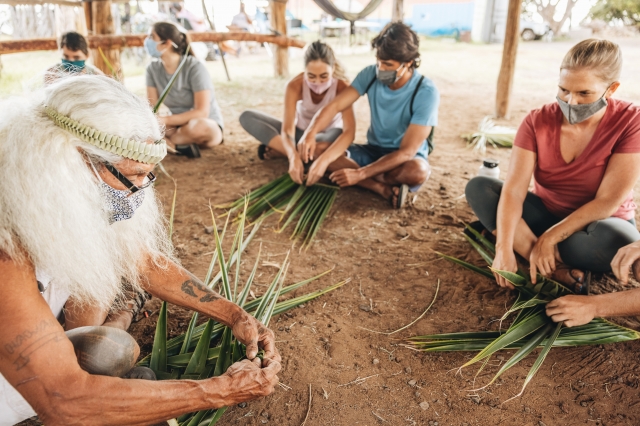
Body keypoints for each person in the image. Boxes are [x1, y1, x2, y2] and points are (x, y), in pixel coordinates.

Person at [0, 75, 280, 425]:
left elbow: (143, 261)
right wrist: (221, 389)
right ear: (69, 160)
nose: (138, 192)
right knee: (106, 360)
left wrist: (235, 315)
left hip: (32, 353)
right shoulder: (5, 249)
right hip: (24, 391)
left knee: (109, 346)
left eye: (147, 176)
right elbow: (64, 401)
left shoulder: (54, 197)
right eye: (132, 176)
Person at [464, 39, 640, 326]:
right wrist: (503, 249)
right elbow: (514, 190)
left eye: (584, 93)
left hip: (597, 226)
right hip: (546, 215)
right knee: (480, 189)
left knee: (616, 240)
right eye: (563, 90)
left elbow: (608, 201)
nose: (570, 102)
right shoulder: (536, 121)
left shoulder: (630, 120)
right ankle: (558, 270)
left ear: (612, 89)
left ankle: (535, 251)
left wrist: (549, 237)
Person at [298, 22, 439, 208]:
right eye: (378, 61)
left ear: (409, 63)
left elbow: (407, 152)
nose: (381, 68)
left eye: (388, 65)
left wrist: (360, 174)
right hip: (373, 151)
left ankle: (362, 176)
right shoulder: (370, 74)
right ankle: (381, 188)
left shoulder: (425, 91)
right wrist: (310, 132)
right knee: (317, 150)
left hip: (402, 160)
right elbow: (335, 106)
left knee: (418, 171)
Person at [239, 41, 355, 185]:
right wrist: (293, 156)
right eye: (311, 76)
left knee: (320, 146)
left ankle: (284, 150)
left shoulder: (342, 87)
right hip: (301, 135)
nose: (318, 83)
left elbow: (349, 133)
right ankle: (301, 156)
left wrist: (321, 159)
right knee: (247, 117)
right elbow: (288, 130)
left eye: (324, 76)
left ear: (333, 68)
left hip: (328, 136)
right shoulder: (295, 85)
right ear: (304, 70)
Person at [145, 22, 224, 157]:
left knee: (198, 126)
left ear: (167, 43)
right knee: (143, 127)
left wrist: (166, 121)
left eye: (151, 37)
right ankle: (179, 146)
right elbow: (152, 107)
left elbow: (202, 112)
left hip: (204, 125)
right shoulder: (152, 69)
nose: (147, 41)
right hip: (176, 126)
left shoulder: (194, 67)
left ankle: (169, 145)